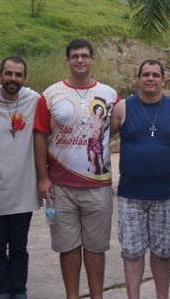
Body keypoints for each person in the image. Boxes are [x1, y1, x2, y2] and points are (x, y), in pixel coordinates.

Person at [33, 39, 119, 299]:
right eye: (74, 56)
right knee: (67, 246)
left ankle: (97, 296)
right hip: (61, 186)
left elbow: (119, 126)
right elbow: (40, 135)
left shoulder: (110, 94)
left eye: (84, 55)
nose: (79, 60)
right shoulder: (50, 94)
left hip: (98, 185)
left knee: (95, 247)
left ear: (92, 59)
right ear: (67, 60)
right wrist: (43, 178)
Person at [110, 59, 170, 299]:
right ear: (138, 79)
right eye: (145, 74)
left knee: (162, 252)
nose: (150, 78)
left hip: (165, 194)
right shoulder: (123, 108)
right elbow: (98, 134)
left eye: (155, 75)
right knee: (132, 252)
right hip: (131, 194)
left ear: (163, 80)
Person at [0, 56, 41, 299]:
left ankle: (19, 289)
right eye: (9, 74)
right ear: (0, 75)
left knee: (19, 246)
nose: (13, 79)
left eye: (18, 75)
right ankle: (1, 290)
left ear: (24, 78)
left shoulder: (34, 101)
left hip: (23, 189)